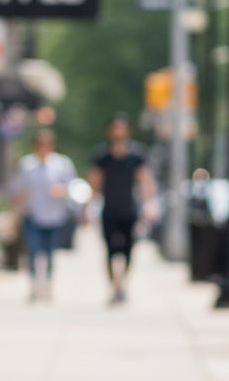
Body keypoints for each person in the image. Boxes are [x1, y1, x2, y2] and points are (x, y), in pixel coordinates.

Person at [88, 114, 157, 304]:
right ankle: (114, 287)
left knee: (128, 251)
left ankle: (122, 284)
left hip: (129, 210)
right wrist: (89, 208)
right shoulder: (102, 155)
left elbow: (145, 180)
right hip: (109, 209)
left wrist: (150, 203)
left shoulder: (137, 155)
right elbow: (95, 182)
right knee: (110, 251)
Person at [10, 129, 76, 300]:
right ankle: (33, 285)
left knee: (49, 254)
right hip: (33, 215)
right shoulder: (27, 165)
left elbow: (73, 188)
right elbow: (17, 190)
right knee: (32, 251)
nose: (43, 148)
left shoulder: (63, 164)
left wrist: (61, 191)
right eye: (40, 144)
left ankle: (47, 285)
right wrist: (15, 215)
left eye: (47, 144)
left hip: (55, 216)